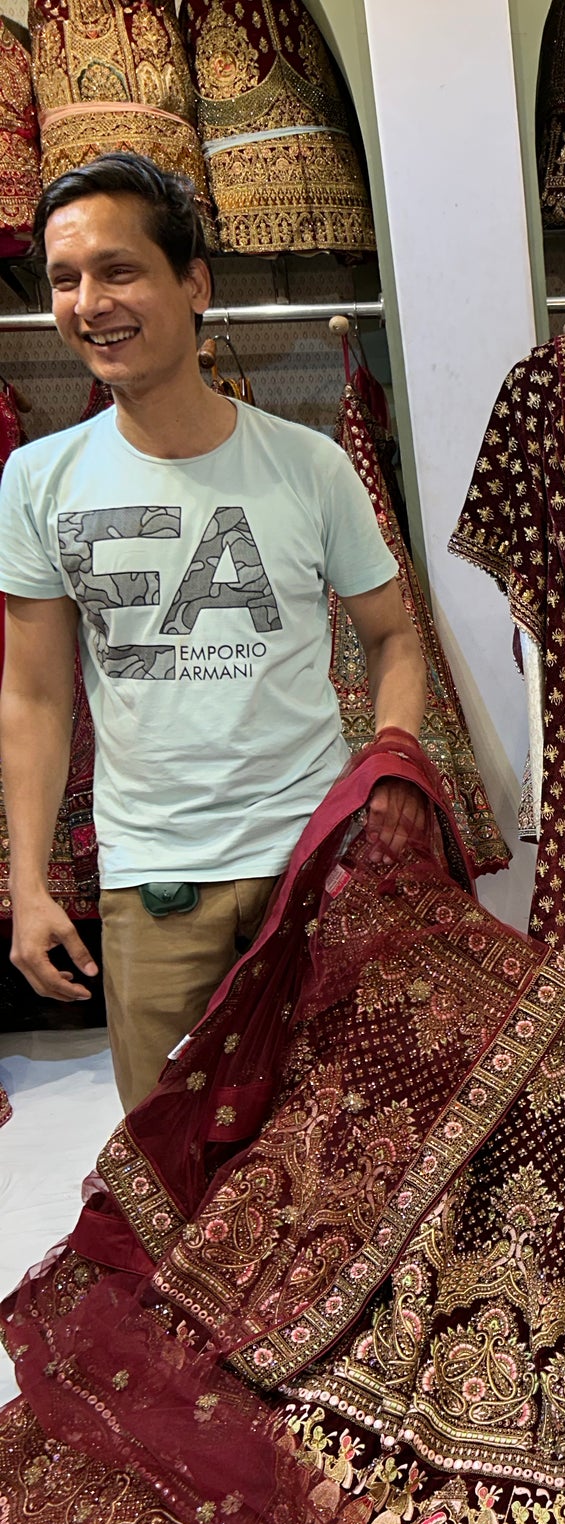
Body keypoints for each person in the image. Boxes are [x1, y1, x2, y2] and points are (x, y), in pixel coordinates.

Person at [0, 153, 427, 1110]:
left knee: (338, 1134)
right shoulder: (37, 479)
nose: (88, 303)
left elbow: (395, 638)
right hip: (151, 880)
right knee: (172, 1155)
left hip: (312, 860)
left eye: (117, 270)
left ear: (192, 283)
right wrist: (28, 884)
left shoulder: (310, 467)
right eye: (65, 281)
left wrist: (390, 763)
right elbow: (32, 690)